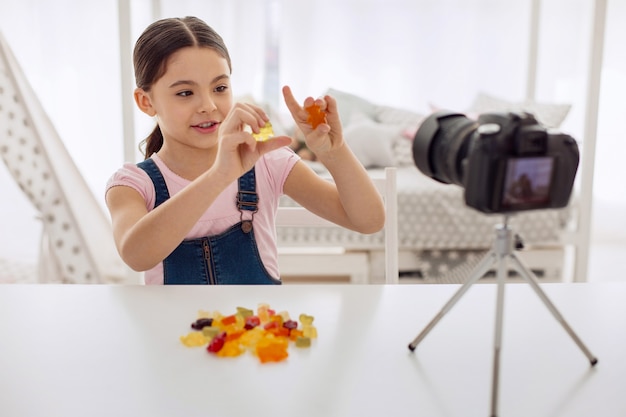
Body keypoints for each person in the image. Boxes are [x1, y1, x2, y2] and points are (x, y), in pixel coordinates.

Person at [105, 16, 385, 285]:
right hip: (175, 333)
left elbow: (369, 221)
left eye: (220, 87)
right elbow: (136, 255)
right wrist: (219, 175)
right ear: (145, 102)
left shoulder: (266, 162)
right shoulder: (133, 184)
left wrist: (334, 152)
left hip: (258, 332)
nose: (209, 106)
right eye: (185, 93)